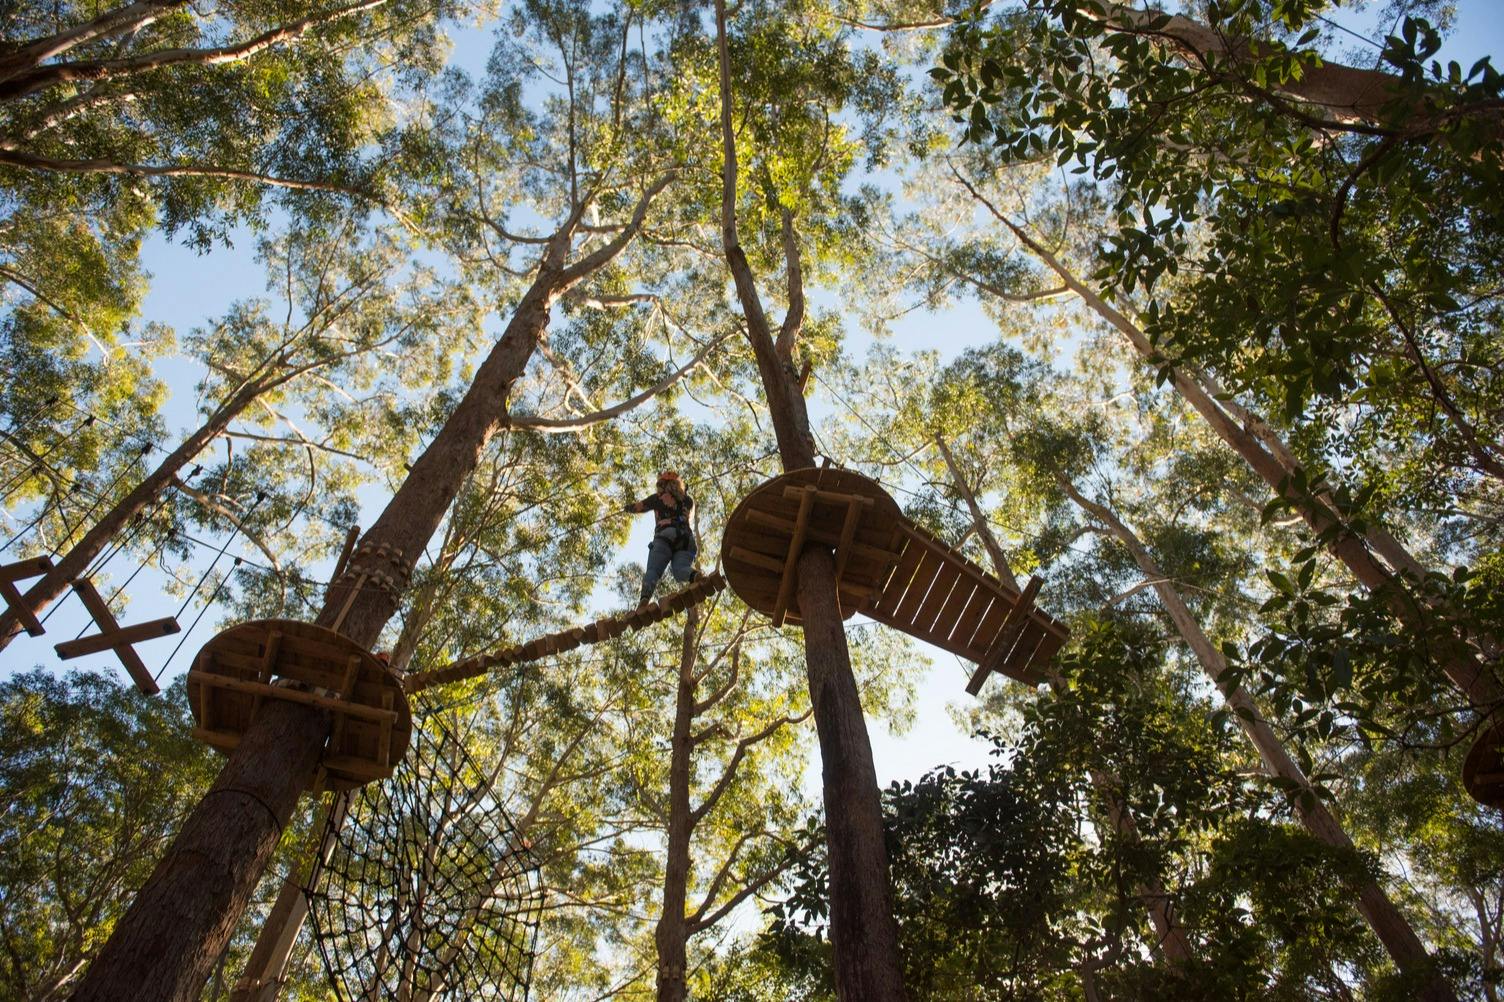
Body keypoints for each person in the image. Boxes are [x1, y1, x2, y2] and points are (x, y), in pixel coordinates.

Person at [624, 470, 698, 604]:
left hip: (665, 535)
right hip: (685, 539)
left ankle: (644, 599)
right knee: (680, 571)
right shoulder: (687, 500)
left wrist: (627, 508)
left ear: (661, 484)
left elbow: (639, 507)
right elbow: (684, 518)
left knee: (653, 570)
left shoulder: (657, 498)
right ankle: (695, 575)